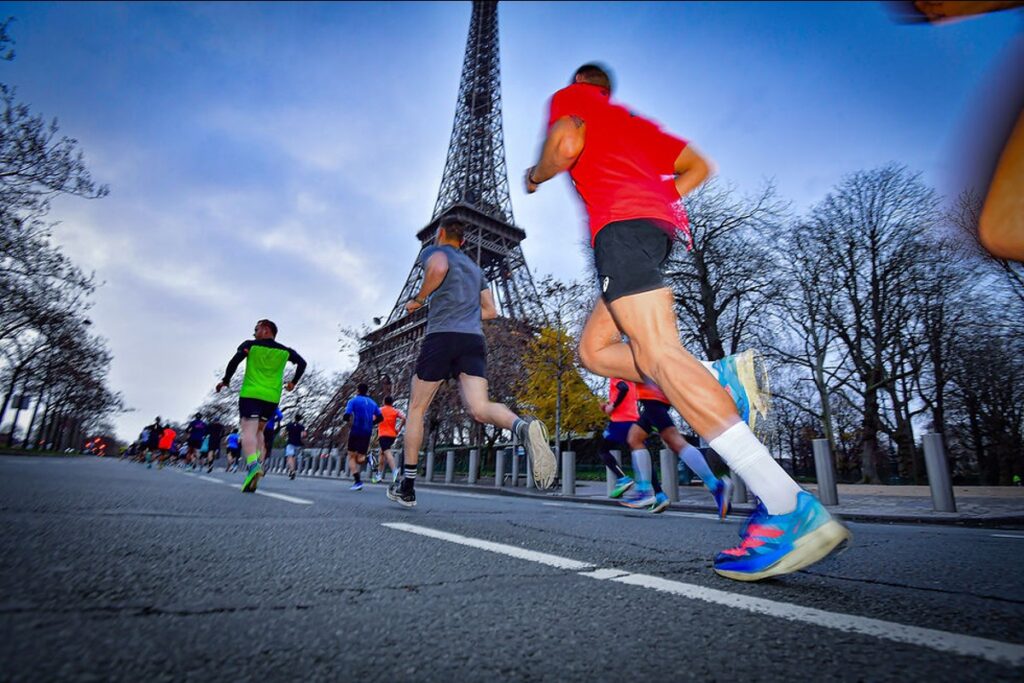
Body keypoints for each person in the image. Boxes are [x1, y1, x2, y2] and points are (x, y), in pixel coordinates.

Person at [525, 63, 850, 581]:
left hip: (621, 229)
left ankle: (787, 504)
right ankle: (711, 375)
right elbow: (699, 167)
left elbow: (564, 147)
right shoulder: (636, 124)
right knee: (594, 350)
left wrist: (536, 175)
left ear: (585, 87)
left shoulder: (573, 98)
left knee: (658, 355)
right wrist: (658, 197)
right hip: (654, 228)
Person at [387, 219, 558, 509]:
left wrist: (419, 298)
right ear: (464, 241)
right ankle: (521, 427)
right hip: (472, 340)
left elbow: (438, 268)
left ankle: (408, 485)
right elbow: (490, 311)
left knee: (416, 408)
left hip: (441, 335)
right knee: (480, 409)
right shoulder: (476, 269)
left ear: (441, 235)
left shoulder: (435, 251)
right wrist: (465, 314)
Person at [216, 319, 307, 493]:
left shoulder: (250, 345)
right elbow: (302, 363)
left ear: (266, 329)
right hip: (272, 397)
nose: (254, 333)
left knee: (248, 431)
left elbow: (234, 362)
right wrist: (293, 382)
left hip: (251, 394)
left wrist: (226, 380)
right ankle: (259, 462)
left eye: (256, 329)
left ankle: (252, 465)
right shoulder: (285, 351)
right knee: (259, 431)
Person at [626, 380, 732, 518]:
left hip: (652, 395)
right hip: (655, 395)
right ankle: (656, 494)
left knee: (675, 441)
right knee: (635, 438)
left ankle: (716, 486)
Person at [343, 384, 382, 491]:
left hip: (356, 430)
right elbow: (380, 418)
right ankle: (369, 458)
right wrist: (371, 423)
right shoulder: (373, 403)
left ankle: (357, 481)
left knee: (351, 457)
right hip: (367, 432)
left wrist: (348, 422)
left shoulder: (353, 401)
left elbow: (346, 416)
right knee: (360, 458)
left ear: (357, 390)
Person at [373, 396, 406, 484]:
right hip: (392, 435)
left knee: (387, 452)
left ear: (384, 402)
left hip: (383, 434)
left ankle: (395, 471)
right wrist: (398, 428)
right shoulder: (395, 411)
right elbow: (404, 418)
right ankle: (378, 475)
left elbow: (373, 419)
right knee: (382, 453)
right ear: (392, 403)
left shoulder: (380, 410)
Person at [284, 413, 306, 480]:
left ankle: (292, 470)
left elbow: (284, 434)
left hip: (290, 442)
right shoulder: (301, 426)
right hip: (298, 444)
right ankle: (292, 470)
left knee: (289, 457)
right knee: (294, 457)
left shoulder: (289, 425)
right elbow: (303, 435)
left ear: (294, 418)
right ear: (300, 419)